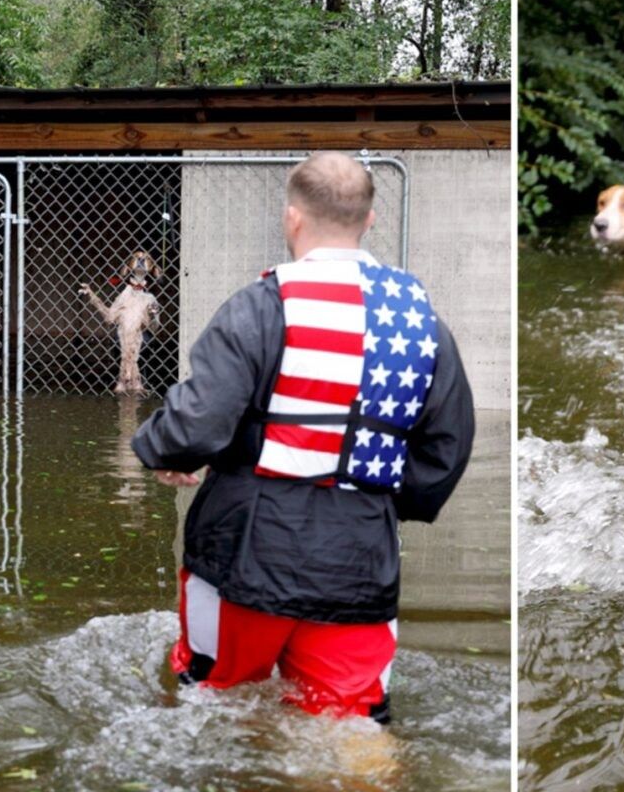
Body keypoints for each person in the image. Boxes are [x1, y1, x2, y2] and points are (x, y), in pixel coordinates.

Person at [130, 151, 475, 724]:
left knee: (212, 703)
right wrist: (379, 501)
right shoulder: (421, 321)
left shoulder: (261, 306)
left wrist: (166, 451)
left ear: (292, 218)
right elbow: (448, 447)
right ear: (369, 221)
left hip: (246, 549)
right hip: (360, 555)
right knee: (351, 726)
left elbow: (198, 422)